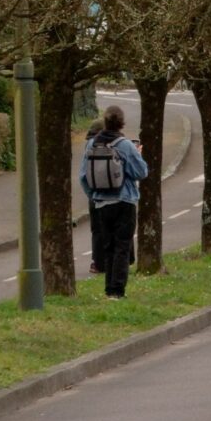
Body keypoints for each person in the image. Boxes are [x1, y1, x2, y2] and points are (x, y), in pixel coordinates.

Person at [80, 105, 150, 299]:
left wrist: (94, 195)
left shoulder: (92, 144)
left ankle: (108, 288)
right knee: (122, 246)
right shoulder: (125, 145)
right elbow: (141, 172)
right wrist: (138, 154)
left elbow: (83, 177)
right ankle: (117, 290)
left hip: (101, 202)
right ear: (121, 123)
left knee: (108, 247)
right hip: (124, 200)